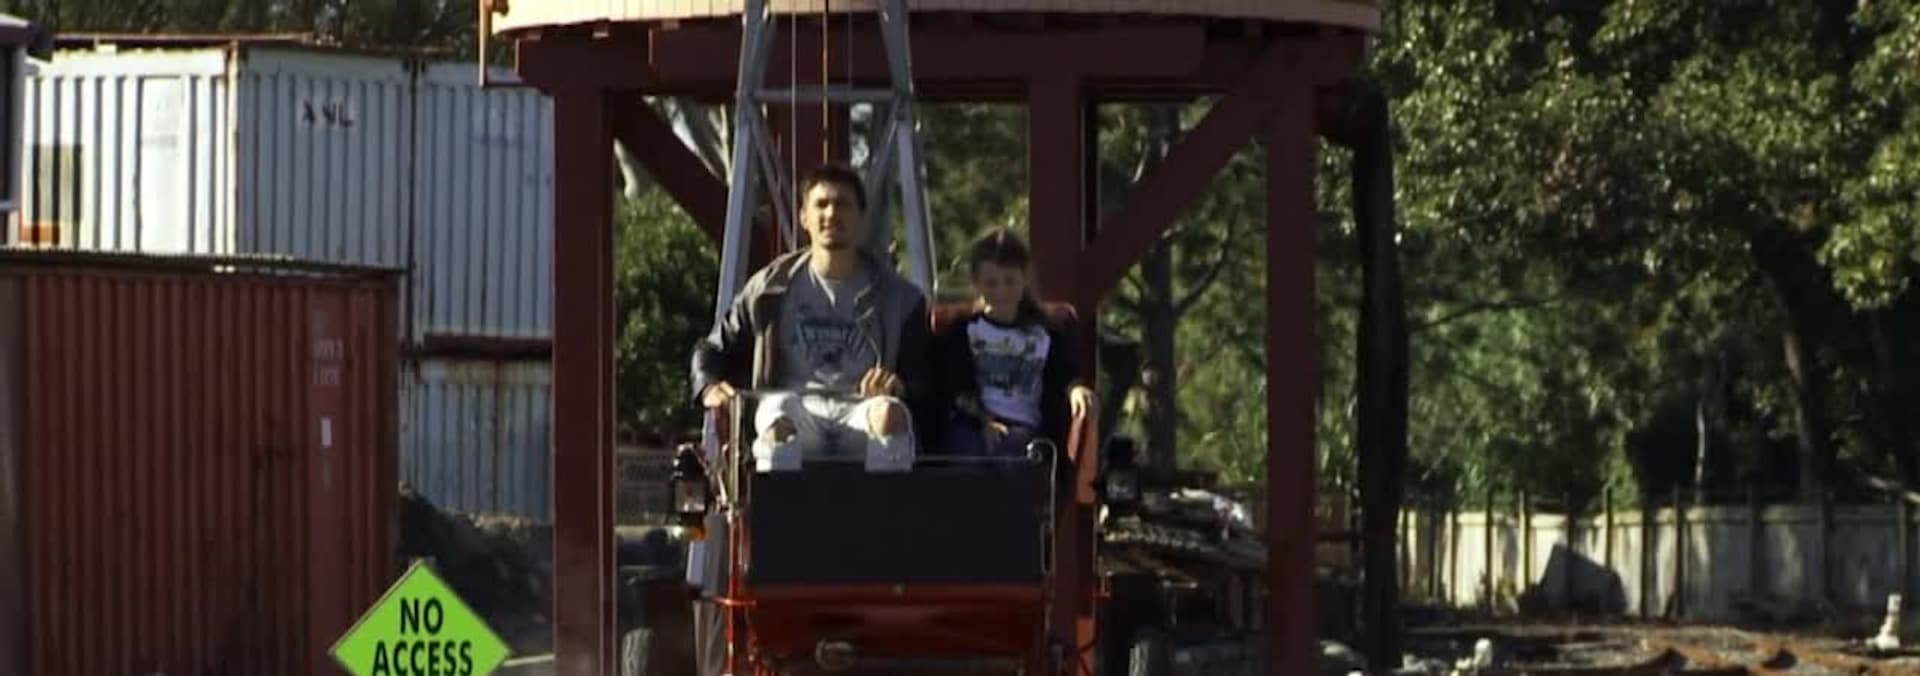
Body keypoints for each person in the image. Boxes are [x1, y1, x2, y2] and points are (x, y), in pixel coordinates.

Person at [690, 163, 935, 472]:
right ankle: (781, 504)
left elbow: (925, 381)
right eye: (821, 204)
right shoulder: (768, 289)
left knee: (890, 415)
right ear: (804, 217)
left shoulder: (901, 298)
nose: (831, 214)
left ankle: (884, 505)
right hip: (797, 411)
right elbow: (712, 348)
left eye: (842, 204)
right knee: (778, 416)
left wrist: (897, 385)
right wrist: (708, 386)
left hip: (861, 410)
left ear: (861, 217)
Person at [932, 228, 1096, 458]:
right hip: (974, 422)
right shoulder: (964, 330)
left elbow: (1063, 374)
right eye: (991, 283)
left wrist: (1076, 389)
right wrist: (984, 420)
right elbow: (954, 386)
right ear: (977, 283)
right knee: (966, 448)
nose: (1001, 291)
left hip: (1024, 427)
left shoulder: (1045, 333)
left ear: (1025, 277)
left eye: (1009, 281)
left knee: (1013, 450)